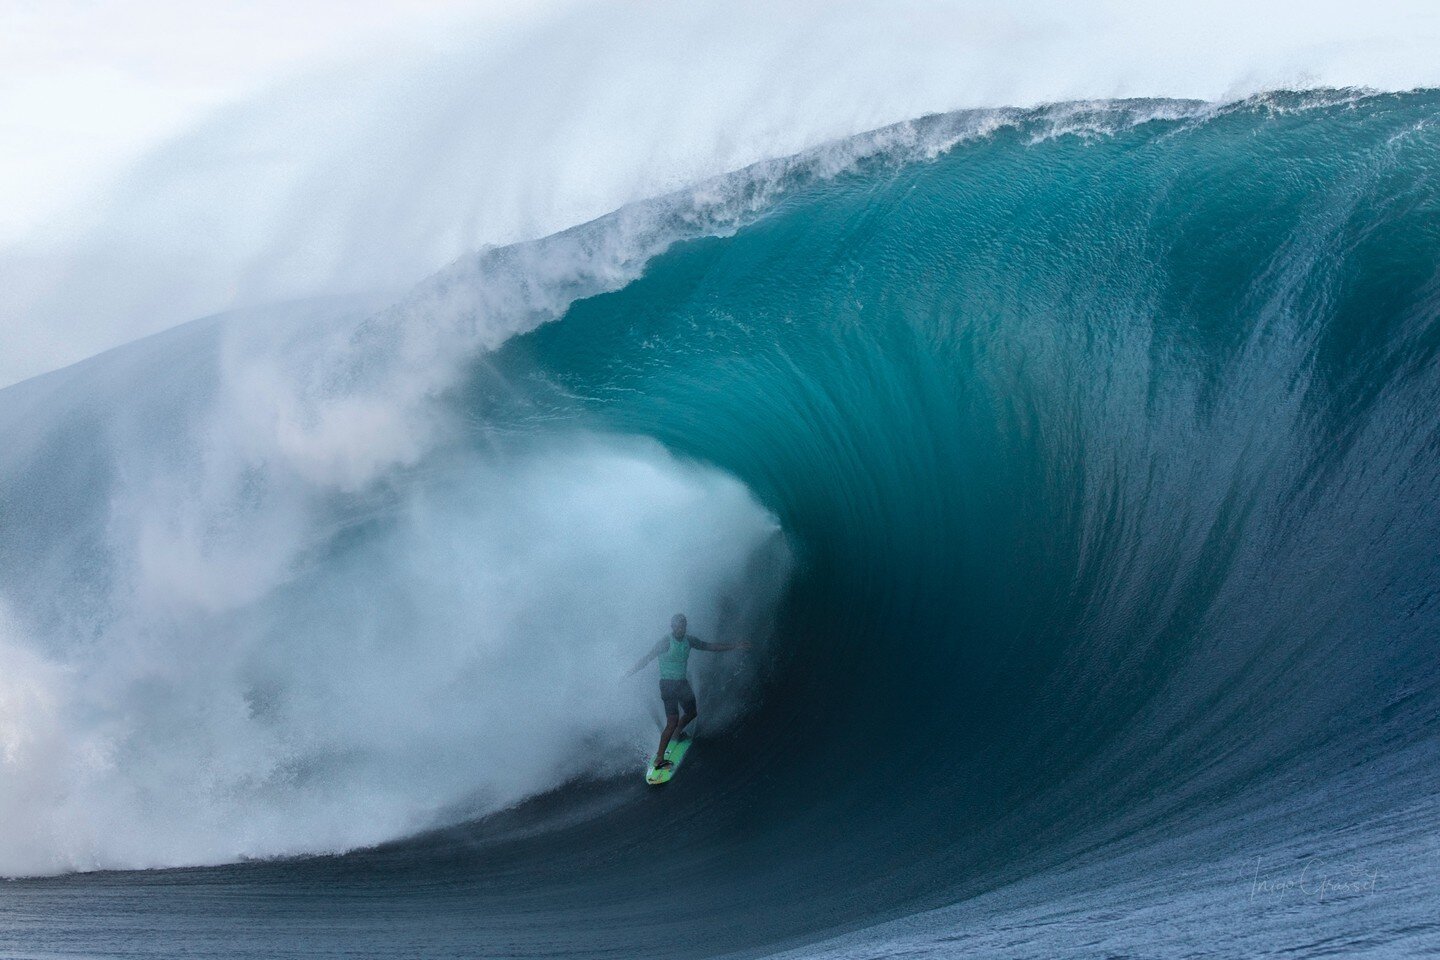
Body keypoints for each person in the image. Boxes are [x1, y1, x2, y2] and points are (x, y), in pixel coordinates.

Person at [626, 613, 751, 771]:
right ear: (672, 627)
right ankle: (659, 758)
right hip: (667, 684)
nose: (680, 629)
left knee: (692, 713)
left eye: (683, 626)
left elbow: (709, 646)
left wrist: (734, 646)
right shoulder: (665, 642)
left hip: (682, 684)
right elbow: (647, 658)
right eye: (677, 626)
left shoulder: (689, 640)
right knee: (672, 721)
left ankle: (677, 732)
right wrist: (629, 673)